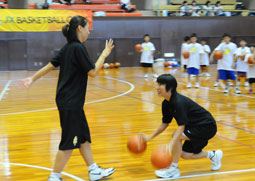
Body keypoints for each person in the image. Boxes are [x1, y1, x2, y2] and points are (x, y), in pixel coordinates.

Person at [18, 16, 115, 181]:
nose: (89, 31)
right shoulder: (78, 47)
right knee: (69, 141)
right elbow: (92, 72)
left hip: (68, 101)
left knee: (83, 136)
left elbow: (49, 66)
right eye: (87, 27)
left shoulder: (67, 48)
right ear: (79, 29)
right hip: (71, 102)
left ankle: (93, 170)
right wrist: (104, 55)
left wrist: (32, 79)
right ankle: (54, 176)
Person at [142, 74, 223, 179]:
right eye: (158, 84)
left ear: (170, 88)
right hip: (194, 127)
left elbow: (181, 127)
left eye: (160, 85)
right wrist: (150, 137)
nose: (157, 87)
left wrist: (170, 146)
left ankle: (173, 170)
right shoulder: (166, 104)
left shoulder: (179, 102)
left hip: (206, 126)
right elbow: (165, 124)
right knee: (185, 154)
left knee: (176, 135)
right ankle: (213, 155)